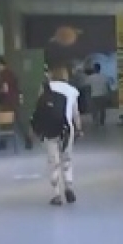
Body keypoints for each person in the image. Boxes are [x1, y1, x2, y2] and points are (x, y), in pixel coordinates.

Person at [37, 68, 81, 206]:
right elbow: (75, 113)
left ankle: (56, 194)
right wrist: (79, 129)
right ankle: (69, 187)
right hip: (67, 128)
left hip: (49, 129)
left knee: (53, 162)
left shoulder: (45, 88)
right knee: (66, 160)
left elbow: (40, 109)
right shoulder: (72, 90)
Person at [0, 56, 32, 150]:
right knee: (18, 122)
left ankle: (3, 143)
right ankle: (27, 140)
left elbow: (5, 89)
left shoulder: (4, 74)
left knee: (4, 123)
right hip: (14, 101)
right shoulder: (10, 73)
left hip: (7, 102)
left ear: (0, 64)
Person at [85, 62, 113, 127]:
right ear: (100, 69)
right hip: (103, 95)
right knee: (102, 109)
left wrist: (87, 97)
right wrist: (109, 96)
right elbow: (108, 87)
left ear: (94, 69)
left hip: (94, 96)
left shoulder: (90, 78)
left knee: (94, 110)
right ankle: (102, 122)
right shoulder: (104, 77)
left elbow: (88, 88)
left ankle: (95, 121)